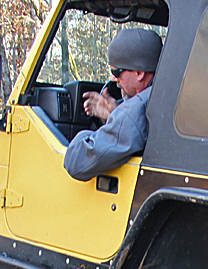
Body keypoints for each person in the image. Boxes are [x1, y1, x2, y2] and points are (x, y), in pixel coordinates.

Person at [63, 28, 162, 181]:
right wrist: (114, 115)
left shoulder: (132, 113)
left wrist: (86, 134)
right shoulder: (165, 92)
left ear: (139, 73)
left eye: (116, 73)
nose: (114, 79)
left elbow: (76, 162)